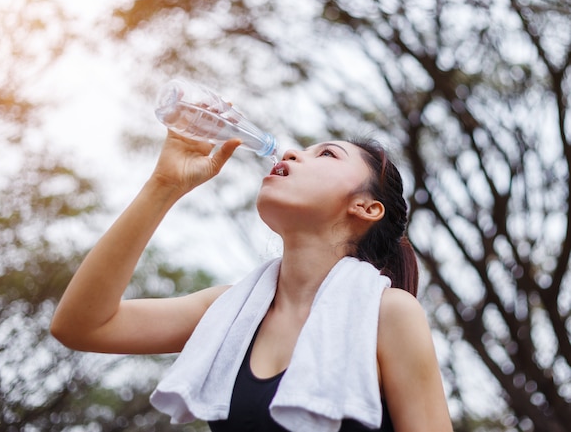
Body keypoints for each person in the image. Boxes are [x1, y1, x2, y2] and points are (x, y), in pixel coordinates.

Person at [51, 130, 453, 432]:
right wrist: (164, 186)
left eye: (327, 154)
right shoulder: (228, 313)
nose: (293, 152)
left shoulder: (388, 314)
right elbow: (81, 326)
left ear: (366, 208)